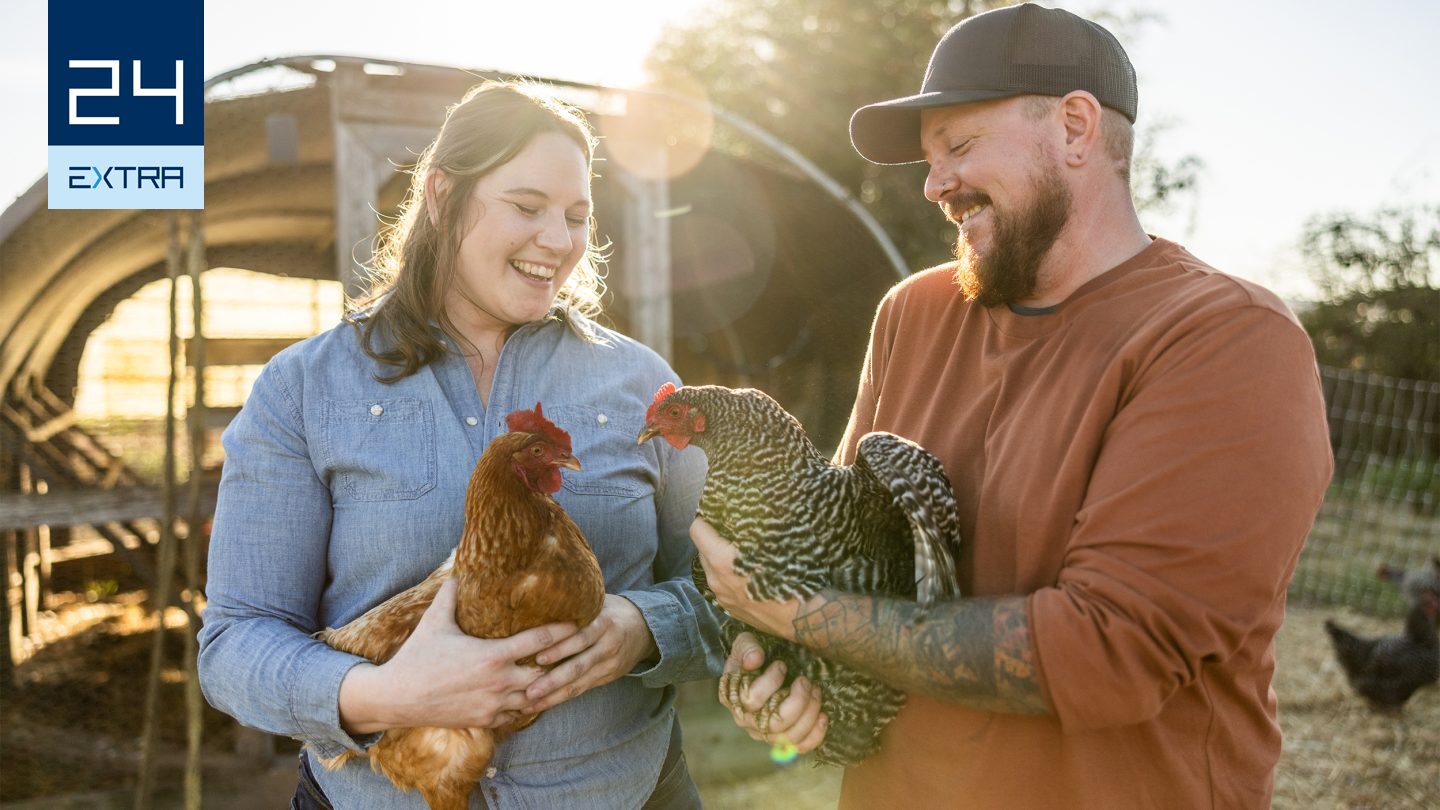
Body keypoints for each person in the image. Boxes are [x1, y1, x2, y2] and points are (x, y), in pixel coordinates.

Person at [690, 4, 1333, 808]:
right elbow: (845, 552)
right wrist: (792, 685)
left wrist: (796, 613)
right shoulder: (913, 313)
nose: (934, 185)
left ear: (1074, 128)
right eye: (928, 161)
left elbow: (1109, 653)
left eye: (958, 147)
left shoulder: (1227, 340)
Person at [198, 81, 723, 809]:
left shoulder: (641, 385)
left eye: (577, 217)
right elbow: (236, 643)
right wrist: (382, 694)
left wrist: (644, 627)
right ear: (442, 197)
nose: (560, 240)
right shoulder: (304, 389)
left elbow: (734, 591)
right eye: (527, 206)